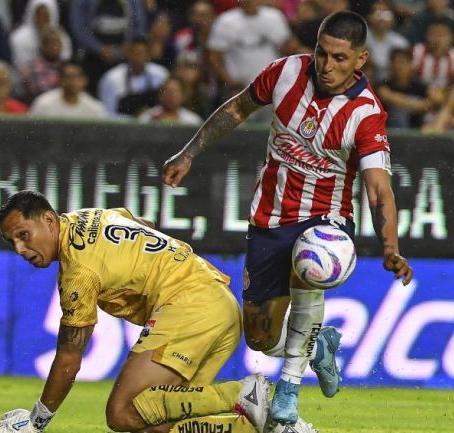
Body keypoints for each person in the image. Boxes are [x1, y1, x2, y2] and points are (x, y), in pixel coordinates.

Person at [162, 10, 414, 427]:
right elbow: (238, 108)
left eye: (339, 58)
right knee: (259, 336)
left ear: (360, 61)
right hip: (269, 218)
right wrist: (189, 153)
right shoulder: (284, 72)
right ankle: (317, 346)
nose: (327, 66)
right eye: (321, 53)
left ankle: (289, 392)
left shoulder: (366, 114)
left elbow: (377, 187)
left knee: (310, 264)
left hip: (326, 220)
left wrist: (391, 247)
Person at [0, 190, 276, 433]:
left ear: (49, 220)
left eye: (24, 235)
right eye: (12, 242)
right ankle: (271, 427)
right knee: (156, 422)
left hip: (188, 303)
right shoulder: (93, 215)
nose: (20, 249)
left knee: (121, 411)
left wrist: (36, 423)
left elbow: (69, 359)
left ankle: (239, 394)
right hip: (218, 301)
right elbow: (144, 224)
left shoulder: (78, 270)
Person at [29, 61, 107, 119]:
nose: (72, 81)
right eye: (67, 77)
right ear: (59, 80)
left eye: (76, 77)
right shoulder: (43, 103)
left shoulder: (95, 108)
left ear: (84, 80)